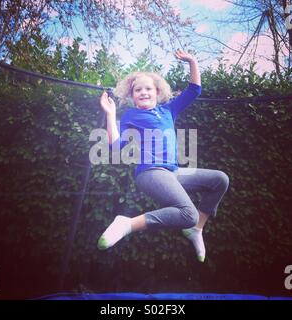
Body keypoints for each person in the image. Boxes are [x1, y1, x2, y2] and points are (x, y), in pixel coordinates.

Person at [97, 50, 229, 262]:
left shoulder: (169, 110)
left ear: (157, 92)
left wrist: (192, 61)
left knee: (220, 180)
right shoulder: (132, 115)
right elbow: (113, 145)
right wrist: (111, 115)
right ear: (132, 96)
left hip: (173, 172)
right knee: (188, 213)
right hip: (150, 172)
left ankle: (196, 229)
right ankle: (127, 224)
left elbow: (194, 89)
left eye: (148, 88)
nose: (143, 92)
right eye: (137, 90)